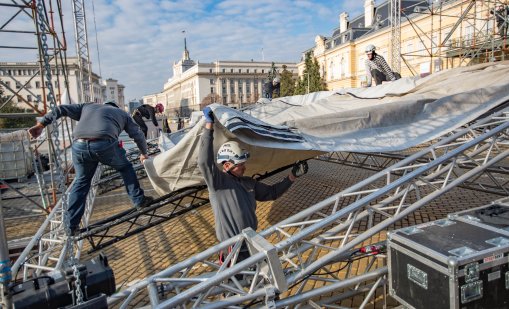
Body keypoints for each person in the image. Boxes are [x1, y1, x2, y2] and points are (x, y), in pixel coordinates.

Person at [197, 106, 308, 263]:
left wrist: (292, 177)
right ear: (227, 165)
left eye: (243, 163)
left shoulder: (249, 183)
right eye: (240, 164)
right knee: (236, 284)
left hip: (251, 244)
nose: (244, 167)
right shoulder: (218, 184)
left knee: (258, 281)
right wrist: (209, 127)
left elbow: (272, 193)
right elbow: (203, 162)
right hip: (231, 249)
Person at [28, 101, 153, 235]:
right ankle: (139, 200)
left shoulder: (87, 107)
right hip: (104, 144)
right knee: (125, 168)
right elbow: (138, 134)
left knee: (81, 182)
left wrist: (41, 124)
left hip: (79, 145)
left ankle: (71, 226)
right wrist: (143, 153)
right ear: (115, 107)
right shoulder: (122, 113)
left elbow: (61, 109)